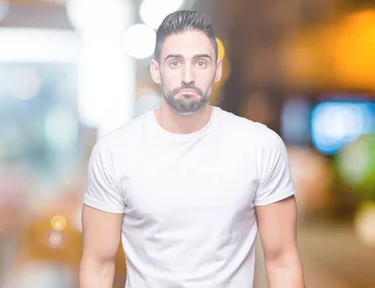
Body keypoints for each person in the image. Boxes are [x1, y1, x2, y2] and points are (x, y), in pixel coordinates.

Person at [79, 10, 305, 288]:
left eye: (200, 62)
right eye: (175, 63)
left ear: (218, 69)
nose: (188, 76)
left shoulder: (260, 147)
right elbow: (97, 265)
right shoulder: (114, 152)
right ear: (156, 70)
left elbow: (282, 261)